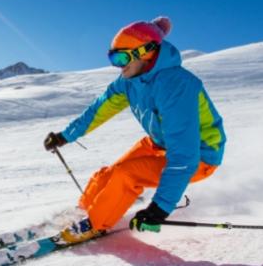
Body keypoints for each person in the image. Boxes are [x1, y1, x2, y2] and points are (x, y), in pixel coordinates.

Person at [44, 16, 226, 242]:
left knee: (126, 175)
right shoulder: (130, 80)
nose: (118, 66)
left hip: (200, 154)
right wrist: (65, 136)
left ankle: (94, 224)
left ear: (146, 52)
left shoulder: (176, 84)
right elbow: (100, 109)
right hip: (160, 143)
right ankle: (84, 210)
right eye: (113, 58)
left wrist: (160, 208)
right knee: (109, 173)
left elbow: (184, 154)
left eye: (121, 57)